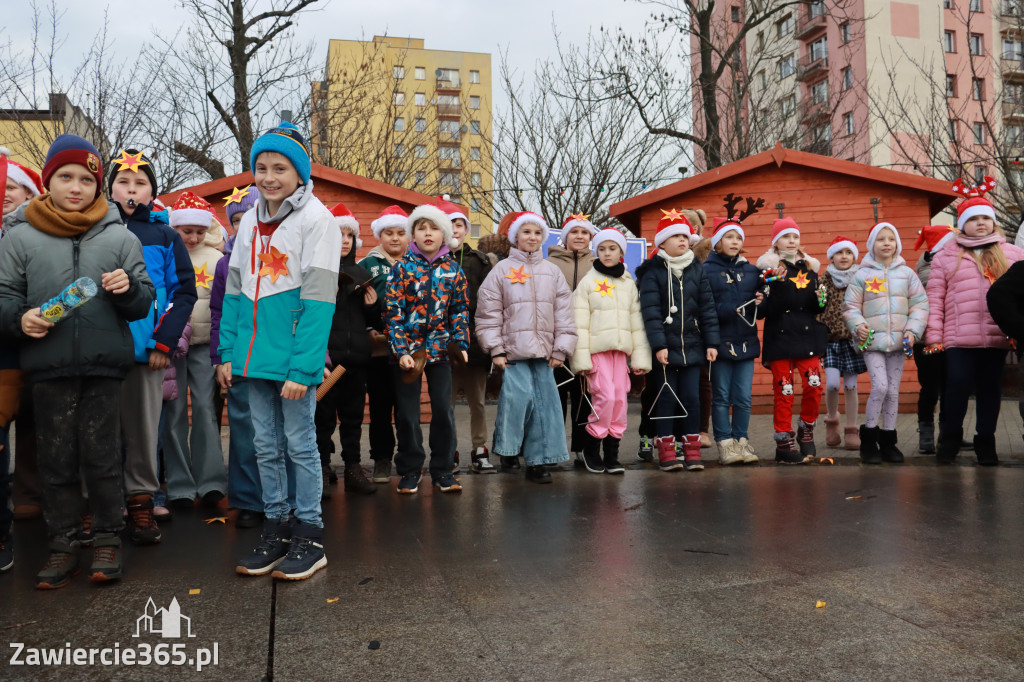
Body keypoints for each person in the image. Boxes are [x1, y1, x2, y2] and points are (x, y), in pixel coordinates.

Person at [0, 134, 155, 588]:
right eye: (65, 177)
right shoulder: (20, 235)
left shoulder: (119, 236)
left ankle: (108, 536)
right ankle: (63, 541)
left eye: (86, 180)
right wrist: (19, 318)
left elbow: (145, 300)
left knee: (104, 455)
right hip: (47, 367)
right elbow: (4, 295)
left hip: (105, 366)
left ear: (98, 185)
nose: (75, 187)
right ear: (47, 181)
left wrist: (129, 290)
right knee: (56, 459)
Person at [220, 121, 340, 580]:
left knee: (301, 446)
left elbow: (319, 302)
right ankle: (277, 525)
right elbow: (233, 291)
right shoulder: (250, 218)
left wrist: (305, 367)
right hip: (252, 357)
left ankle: (309, 535)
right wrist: (228, 352)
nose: (269, 177)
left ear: (300, 173)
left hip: (292, 360)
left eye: (280, 168)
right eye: (262, 167)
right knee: (263, 446)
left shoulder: (317, 220)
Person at [107, 148, 197, 538]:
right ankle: (101, 507)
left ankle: (141, 501)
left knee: (144, 435)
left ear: (151, 192)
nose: (131, 189)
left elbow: (184, 294)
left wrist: (163, 342)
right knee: (100, 434)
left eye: (140, 183)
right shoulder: (93, 232)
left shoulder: (165, 235)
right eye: (123, 182)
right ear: (109, 189)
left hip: (147, 353)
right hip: (99, 353)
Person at [925, 178, 1024, 464]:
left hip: (997, 336)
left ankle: (986, 442)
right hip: (958, 337)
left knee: (990, 389)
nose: (981, 223)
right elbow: (935, 298)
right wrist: (935, 336)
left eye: (986, 218)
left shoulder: (1012, 254)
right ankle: (951, 438)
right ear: (962, 223)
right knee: (956, 385)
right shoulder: (946, 255)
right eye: (974, 218)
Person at [476, 211, 577, 483]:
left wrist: (561, 349)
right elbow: (488, 314)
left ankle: (537, 462)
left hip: (545, 355)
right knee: (516, 404)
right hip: (513, 353)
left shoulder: (552, 272)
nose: (531, 237)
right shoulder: (501, 271)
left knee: (545, 407)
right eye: (526, 232)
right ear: (515, 237)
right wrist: (495, 349)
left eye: (536, 233)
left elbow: (565, 313)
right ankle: (508, 450)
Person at [385, 204, 469, 494]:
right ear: (414, 235)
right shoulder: (401, 269)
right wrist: (401, 350)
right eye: (421, 228)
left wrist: (460, 343)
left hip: (441, 351)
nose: (428, 233)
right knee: (407, 413)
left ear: (444, 234)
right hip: (408, 353)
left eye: (434, 228)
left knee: (443, 410)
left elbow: (459, 310)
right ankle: (410, 469)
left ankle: (443, 469)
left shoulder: (454, 271)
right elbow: (393, 312)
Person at [637, 209, 720, 472]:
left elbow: (707, 308)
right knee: (666, 398)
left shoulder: (697, 269)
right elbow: (650, 313)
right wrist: (659, 345)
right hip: (665, 350)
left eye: (685, 236)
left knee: (691, 398)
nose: (683, 240)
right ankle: (666, 450)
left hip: (693, 348)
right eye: (675, 236)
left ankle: (692, 450)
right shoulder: (652, 272)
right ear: (661, 242)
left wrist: (711, 343)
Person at [161, 192, 228, 503]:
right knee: (173, 412)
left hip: (203, 346)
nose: (193, 237)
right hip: (171, 345)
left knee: (204, 409)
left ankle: (211, 480)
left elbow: (222, 306)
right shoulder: (166, 254)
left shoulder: (217, 259)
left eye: (200, 231)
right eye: (186, 231)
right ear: (175, 227)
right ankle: (179, 485)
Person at [843, 223, 929, 464]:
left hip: (899, 343)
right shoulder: (861, 274)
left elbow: (920, 304)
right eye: (881, 239)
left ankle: (889, 442)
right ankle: (869, 440)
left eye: (891, 238)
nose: (887, 243)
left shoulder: (907, 274)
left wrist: (913, 331)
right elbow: (850, 307)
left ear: (897, 243)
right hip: (872, 341)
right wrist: (858, 325)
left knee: (892, 391)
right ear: (872, 244)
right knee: (880, 387)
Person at [211, 185, 269, 527]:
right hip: (241, 357)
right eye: (237, 219)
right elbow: (220, 313)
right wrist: (222, 357)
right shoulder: (224, 265)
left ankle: (285, 499)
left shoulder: (283, 255)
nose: (246, 223)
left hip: (278, 355)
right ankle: (248, 500)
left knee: (281, 431)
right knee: (245, 430)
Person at [571, 228, 651, 474]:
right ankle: (591, 448)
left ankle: (612, 454)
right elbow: (579, 323)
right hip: (597, 353)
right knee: (604, 399)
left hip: (620, 354)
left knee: (619, 401)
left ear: (621, 252)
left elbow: (637, 323)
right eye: (602, 248)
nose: (607, 253)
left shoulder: (628, 283)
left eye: (612, 248)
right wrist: (581, 359)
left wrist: (639, 358)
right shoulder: (588, 282)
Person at [315, 202, 378, 496]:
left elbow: (374, 320)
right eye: (338, 235)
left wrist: (373, 305)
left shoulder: (362, 272)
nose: (344, 241)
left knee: (353, 417)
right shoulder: (317, 272)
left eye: (349, 236)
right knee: (323, 416)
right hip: (328, 361)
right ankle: (322, 467)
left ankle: (353, 466)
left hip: (357, 360)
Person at [756, 217, 827, 463]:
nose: (792, 240)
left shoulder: (810, 268)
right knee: (784, 391)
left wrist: (821, 300)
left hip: (808, 338)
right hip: (780, 339)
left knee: (815, 386)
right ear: (776, 242)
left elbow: (816, 307)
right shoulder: (767, 270)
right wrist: (775, 284)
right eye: (786, 236)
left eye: (795, 236)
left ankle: (806, 430)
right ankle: (783, 442)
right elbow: (763, 310)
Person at [436, 196, 495, 473]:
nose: (456, 229)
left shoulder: (480, 262)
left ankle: (480, 450)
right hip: (442, 345)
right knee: (445, 404)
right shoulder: (431, 262)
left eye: (460, 224)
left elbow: (491, 302)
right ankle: (450, 452)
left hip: (474, 344)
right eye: (450, 224)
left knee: (478, 402)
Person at [1, 150, 42, 523]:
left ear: (29, 194)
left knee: (30, 418)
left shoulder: (34, 232)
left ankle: (28, 490)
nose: (7, 192)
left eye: (14, 187)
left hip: (29, 337)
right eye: (4, 185)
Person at [703, 215, 763, 465]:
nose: (735, 241)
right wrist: (734, 307)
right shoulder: (706, 270)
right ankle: (725, 443)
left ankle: (741, 441)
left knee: (743, 397)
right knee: (721, 396)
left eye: (739, 237)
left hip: (746, 342)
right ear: (717, 242)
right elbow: (706, 307)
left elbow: (762, 306)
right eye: (729, 236)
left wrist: (762, 301)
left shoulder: (752, 271)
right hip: (720, 344)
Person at [357, 205, 410, 484]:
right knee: (380, 405)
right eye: (388, 233)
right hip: (378, 346)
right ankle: (381, 459)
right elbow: (357, 303)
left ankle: (407, 458)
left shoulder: (416, 263)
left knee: (406, 406)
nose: (395, 238)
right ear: (379, 235)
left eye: (401, 233)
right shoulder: (367, 265)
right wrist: (368, 326)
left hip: (410, 347)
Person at [548, 213, 597, 464]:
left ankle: (581, 448)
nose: (579, 236)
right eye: (574, 232)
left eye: (584, 232)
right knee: (555, 397)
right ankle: (554, 448)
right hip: (555, 340)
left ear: (591, 237)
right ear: (564, 236)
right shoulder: (550, 263)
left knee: (584, 397)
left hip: (587, 340)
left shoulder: (598, 264)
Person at [818, 236, 867, 451]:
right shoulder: (824, 280)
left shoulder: (861, 279)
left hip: (853, 340)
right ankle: (832, 420)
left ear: (854, 256)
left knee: (850, 385)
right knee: (832, 384)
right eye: (840, 252)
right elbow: (818, 308)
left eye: (848, 252)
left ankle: (851, 429)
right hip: (830, 341)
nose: (844, 256)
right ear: (832, 256)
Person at [911, 225, 958, 454]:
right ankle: (930, 435)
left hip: (941, 340)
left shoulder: (937, 264)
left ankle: (943, 435)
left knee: (944, 387)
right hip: (929, 342)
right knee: (933, 387)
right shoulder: (931, 269)